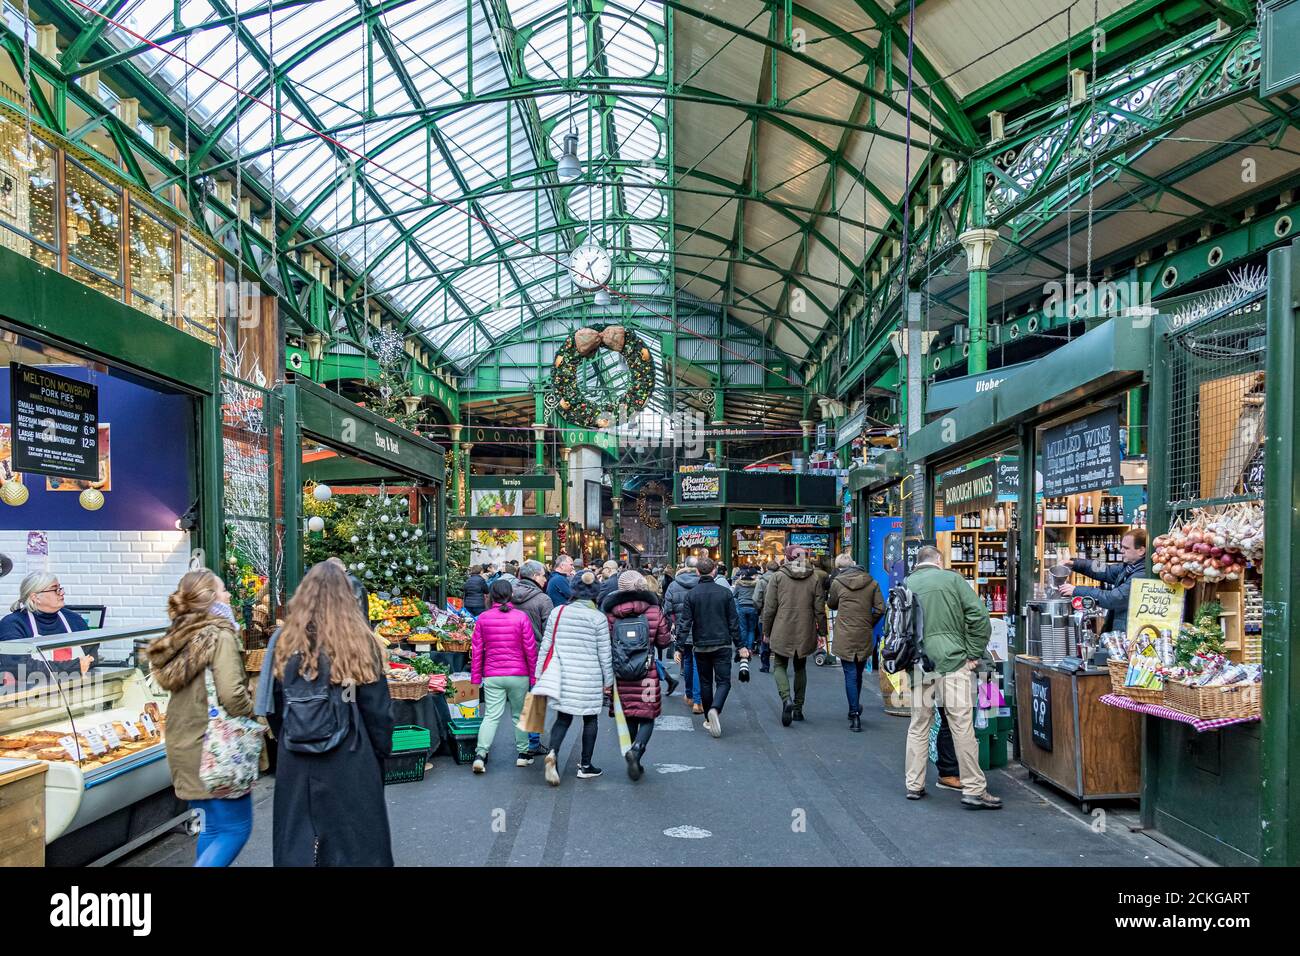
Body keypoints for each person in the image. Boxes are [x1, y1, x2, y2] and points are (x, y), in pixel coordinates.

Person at [265, 560, 397, 864]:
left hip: (296, 760)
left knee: (298, 843)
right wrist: (378, 755)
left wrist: (289, 732)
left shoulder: (285, 643)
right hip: (350, 756)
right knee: (356, 845)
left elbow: (275, 702)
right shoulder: (358, 643)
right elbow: (377, 711)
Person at [146, 569, 257, 866]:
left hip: (185, 744)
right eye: (223, 590)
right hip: (215, 752)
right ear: (209, 598)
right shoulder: (219, 634)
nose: (229, 594)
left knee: (211, 827)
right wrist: (252, 711)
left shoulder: (179, 636)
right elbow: (232, 694)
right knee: (236, 829)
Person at [903, 545, 1001, 809]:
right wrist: (973, 653)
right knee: (961, 725)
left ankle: (914, 784)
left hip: (918, 664)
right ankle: (973, 789)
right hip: (953, 661)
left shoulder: (906, 584)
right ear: (939, 560)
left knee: (919, 725)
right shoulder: (953, 579)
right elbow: (980, 617)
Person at [536, 571, 613, 784]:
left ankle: (552, 751)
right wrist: (609, 682)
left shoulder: (559, 612)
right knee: (590, 719)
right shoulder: (598, 618)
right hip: (589, 676)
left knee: (563, 718)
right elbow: (604, 653)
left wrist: (539, 672)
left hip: (563, 675)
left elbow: (547, 644)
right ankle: (586, 765)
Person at [602, 571, 672, 779]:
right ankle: (638, 749)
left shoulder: (611, 613)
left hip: (621, 672)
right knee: (647, 716)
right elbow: (664, 641)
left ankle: (631, 752)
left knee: (629, 714)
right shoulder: (653, 610)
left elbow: (606, 642)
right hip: (646, 673)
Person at [470, 579, 538, 772]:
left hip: (493, 674)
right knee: (519, 715)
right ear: (510, 595)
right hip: (519, 674)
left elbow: (477, 650)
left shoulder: (483, 618)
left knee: (491, 716)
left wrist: (476, 678)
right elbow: (530, 650)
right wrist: (534, 677)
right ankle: (523, 755)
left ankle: (480, 755)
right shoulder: (521, 617)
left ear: (492, 595)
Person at [677, 557, 743, 738]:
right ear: (714, 571)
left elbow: (685, 623)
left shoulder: (692, 594)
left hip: (701, 644)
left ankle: (708, 715)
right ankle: (716, 708)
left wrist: (679, 646)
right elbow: (733, 622)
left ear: (697, 572)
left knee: (705, 682)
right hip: (722, 643)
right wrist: (740, 645)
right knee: (723, 682)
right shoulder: (725, 593)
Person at [760, 547, 825, 727]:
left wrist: (766, 631)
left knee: (780, 664)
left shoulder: (778, 577)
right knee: (800, 667)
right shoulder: (814, 578)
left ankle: (786, 697)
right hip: (805, 628)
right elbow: (819, 608)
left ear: (787, 557)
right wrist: (823, 632)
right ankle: (798, 708)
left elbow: (770, 608)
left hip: (782, 626)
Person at [826, 552, 885, 733]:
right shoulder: (872, 582)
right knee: (857, 672)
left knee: (849, 674)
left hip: (845, 632)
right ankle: (855, 707)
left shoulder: (837, 583)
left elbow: (832, 604)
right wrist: (869, 621)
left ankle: (854, 713)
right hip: (863, 633)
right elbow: (880, 608)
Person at [0, 573, 94, 686]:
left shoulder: (74, 620)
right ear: (35, 597)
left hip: (76, 688)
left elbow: (91, 657)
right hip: (32, 695)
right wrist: (74, 665)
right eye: (55, 590)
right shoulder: (13, 624)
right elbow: (18, 667)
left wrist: (76, 665)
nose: (62, 593)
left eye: (60, 588)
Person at [1055, 530, 1147, 633]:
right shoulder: (1130, 567)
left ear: (1141, 550)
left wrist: (1076, 590)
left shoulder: (1142, 574)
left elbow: (1113, 598)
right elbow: (1106, 570)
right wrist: (1074, 564)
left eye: (1126, 548)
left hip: (1131, 632)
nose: (1121, 550)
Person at [663, 556, 704, 713]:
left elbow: (667, 609)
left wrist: (674, 622)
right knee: (697, 663)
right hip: (701, 627)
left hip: (682, 628)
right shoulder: (702, 583)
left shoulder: (674, 585)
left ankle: (688, 694)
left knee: (686, 660)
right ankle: (697, 700)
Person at [752, 560, 779, 673]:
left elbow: (756, 599)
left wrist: (759, 608)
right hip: (779, 614)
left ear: (766, 568)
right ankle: (779, 665)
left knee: (764, 639)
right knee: (778, 639)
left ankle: (765, 665)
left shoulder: (762, 581)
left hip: (764, 613)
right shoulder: (781, 580)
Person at [732, 566, 760, 662]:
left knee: (743, 628)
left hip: (742, 607)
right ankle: (750, 648)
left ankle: (743, 646)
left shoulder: (739, 584)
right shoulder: (756, 584)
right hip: (752, 607)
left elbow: (734, 595)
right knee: (751, 629)